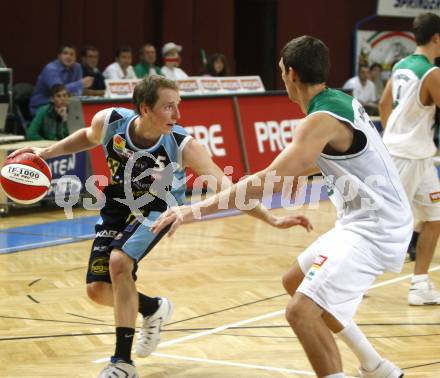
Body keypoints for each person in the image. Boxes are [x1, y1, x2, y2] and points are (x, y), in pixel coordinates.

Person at [9, 75, 311, 377]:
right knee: (98, 290)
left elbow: (227, 187)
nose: (177, 115)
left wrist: (270, 218)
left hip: (160, 208)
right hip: (117, 204)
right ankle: (152, 309)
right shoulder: (111, 121)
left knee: (119, 261)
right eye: (169, 107)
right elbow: (88, 136)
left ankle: (122, 363)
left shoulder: (182, 145)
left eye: (178, 106)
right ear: (145, 109)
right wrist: (46, 153)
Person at [152, 36, 413, 378]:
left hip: (376, 228)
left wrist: (190, 211)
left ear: (290, 73)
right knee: (295, 280)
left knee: (300, 312)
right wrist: (294, 173)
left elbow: (265, 181)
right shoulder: (339, 102)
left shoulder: (320, 119)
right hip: (368, 219)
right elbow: (338, 160)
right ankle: (377, 367)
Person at [380, 12, 440, 306]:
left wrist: (392, 133)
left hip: (418, 156)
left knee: (435, 218)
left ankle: (419, 285)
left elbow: (383, 103)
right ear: (436, 38)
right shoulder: (431, 74)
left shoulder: (400, 66)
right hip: (405, 157)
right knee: (383, 224)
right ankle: (343, 276)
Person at [30, 44, 94, 115]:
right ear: (59, 56)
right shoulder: (51, 69)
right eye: (65, 53)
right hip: (43, 105)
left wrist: (78, 88)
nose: (68, 57)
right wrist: (80, 84)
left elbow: (78, 91)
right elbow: (58, 91)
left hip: (65, 104)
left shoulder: (77, 67)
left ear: (75, 58)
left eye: (72, 54)